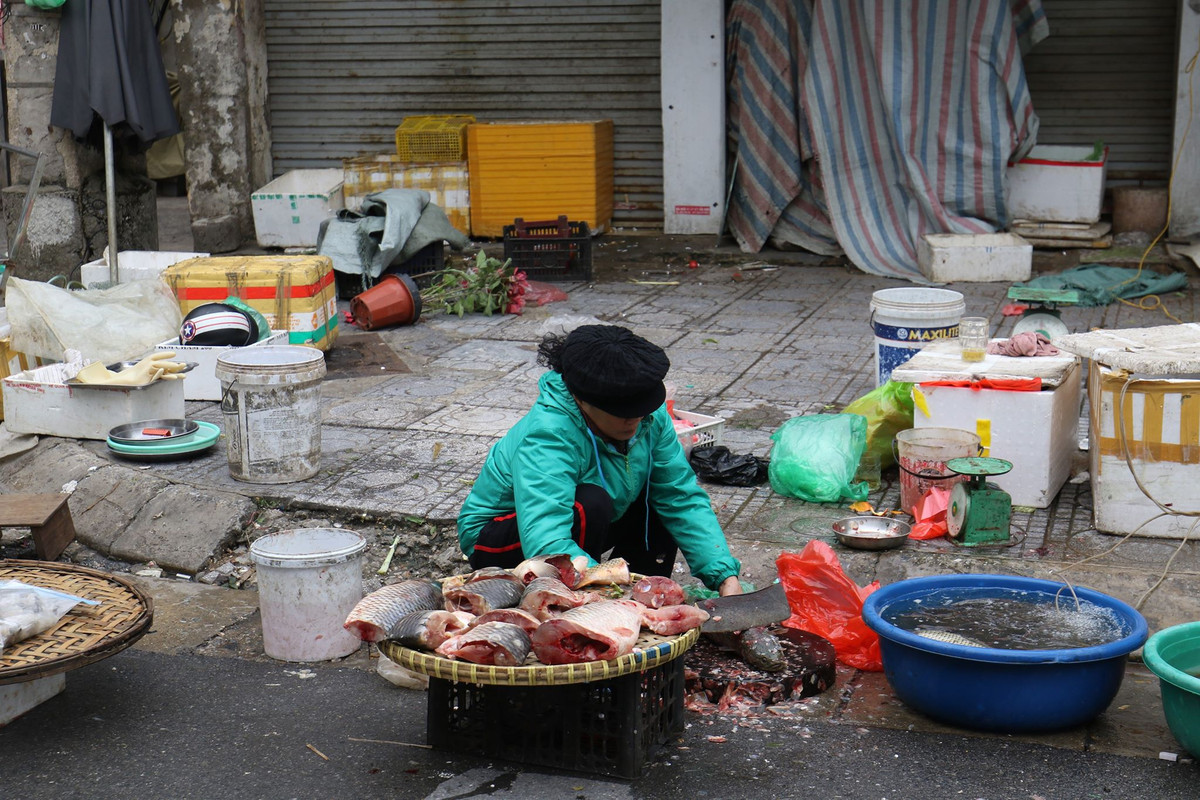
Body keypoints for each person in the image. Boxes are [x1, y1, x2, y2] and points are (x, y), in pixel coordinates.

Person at [456, 324, 743, 597]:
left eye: (640, 407)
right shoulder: (548, 434)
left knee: (661, 495)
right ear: (582, 400)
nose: (635, 417)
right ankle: (583, 599)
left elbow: (681, 497)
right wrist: (610, 591)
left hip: (583, 522)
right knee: (590, 502)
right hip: (500, 538)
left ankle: (642, 592)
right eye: (622, 411)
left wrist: (725, 576)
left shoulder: (651, 419)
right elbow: (545, 540)